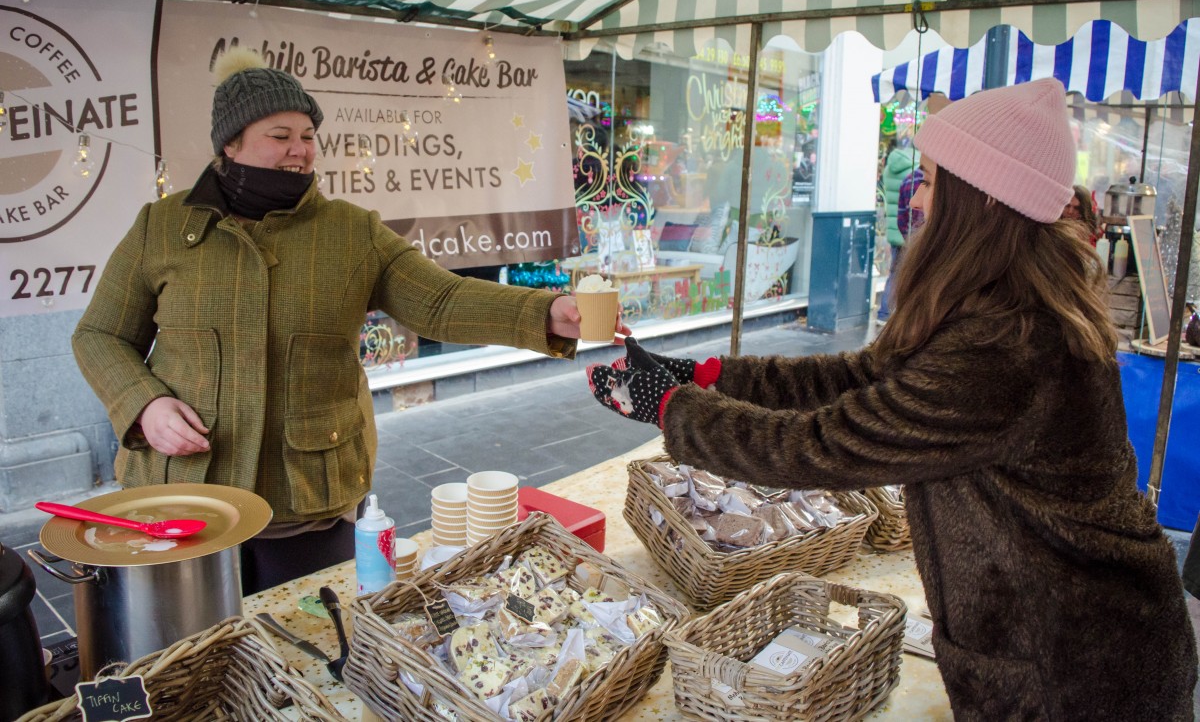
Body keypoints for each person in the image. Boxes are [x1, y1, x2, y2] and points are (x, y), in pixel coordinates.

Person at [587, 78, 1196, 719]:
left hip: (1078, 669)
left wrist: (673, 409)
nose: (917, 198)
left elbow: (824, 446)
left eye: (930, 179)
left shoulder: (1011, 342)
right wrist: (705, 376)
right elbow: (861, 378)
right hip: (1049, 644)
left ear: (981, 198)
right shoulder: (991, 297)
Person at [73, 47, 626, 594]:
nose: (299, 150)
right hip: (186, 496)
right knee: (191, 657)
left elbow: (441, 300)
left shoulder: (350, 231)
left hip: (303, 500)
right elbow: (100, 335)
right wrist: (145, 403)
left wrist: (544, 313)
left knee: (310, 648)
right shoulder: (161, 227)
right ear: (230, 143)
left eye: (308, 136)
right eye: (280, 135)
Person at [878, 142, 920, 321]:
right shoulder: (916, 171)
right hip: (912, 232)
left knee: (894, 273)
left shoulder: (889, 169)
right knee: (910, 275)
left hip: (895, 228)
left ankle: (884, 313)